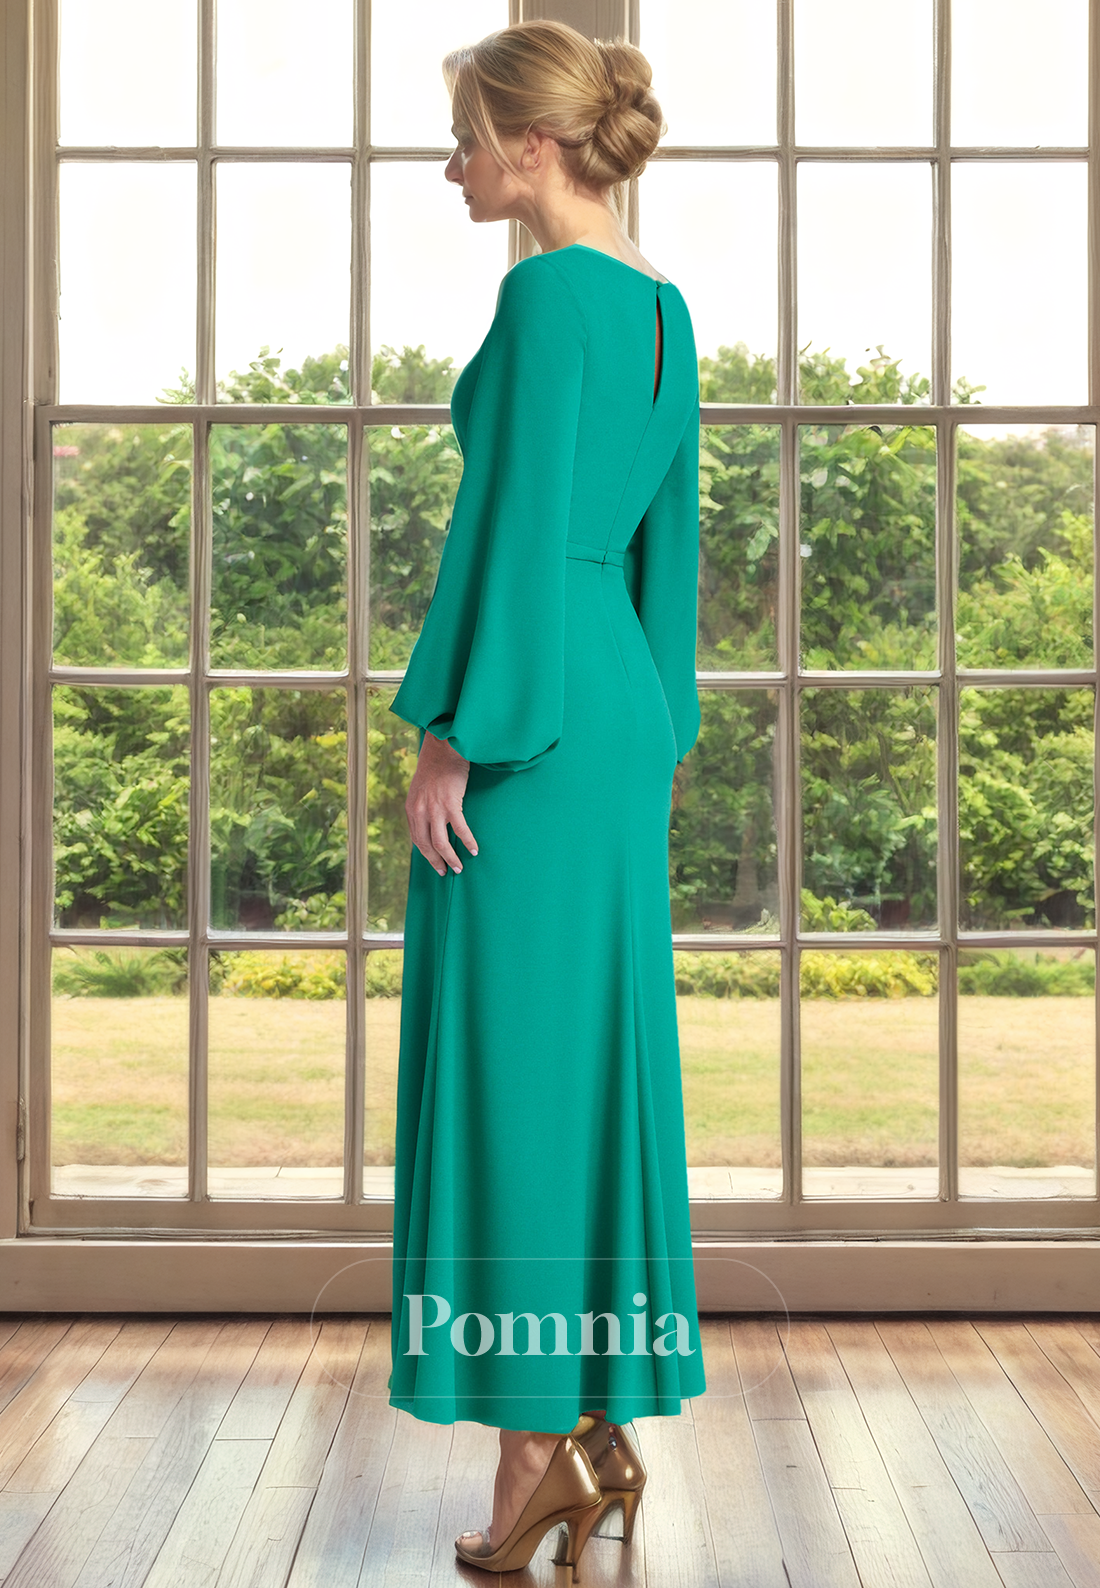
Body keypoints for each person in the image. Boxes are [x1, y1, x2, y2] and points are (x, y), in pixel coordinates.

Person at [386, 18, 706, 1576]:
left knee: (510, 1069)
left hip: (535, 716)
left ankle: (531, 1458)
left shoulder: (544, 295)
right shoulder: (660, 308)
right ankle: (597, 1422)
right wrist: (658, 721)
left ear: (532, 143)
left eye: (466, 136)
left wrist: (456, 730)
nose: (451, 165)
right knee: (594, 1062)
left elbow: (504, 532)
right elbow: (668, 541)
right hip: (619, 705)